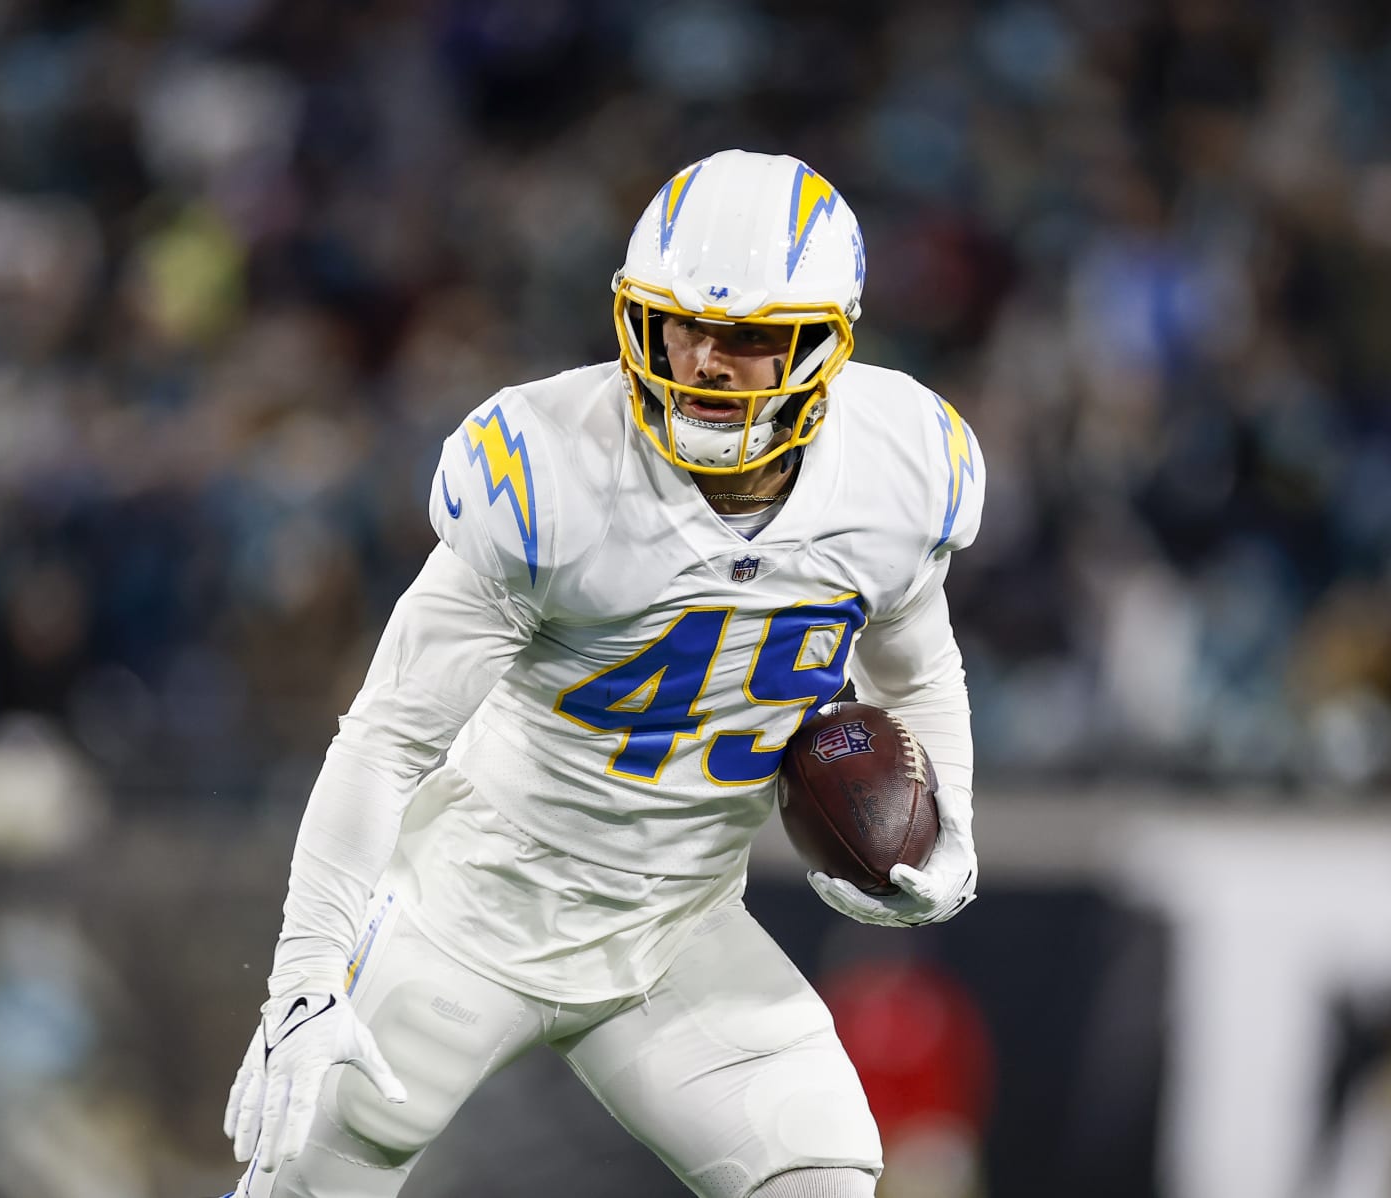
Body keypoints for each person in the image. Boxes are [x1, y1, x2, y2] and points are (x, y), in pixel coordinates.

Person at [221, 149, 986, 1198]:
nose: (707, 360)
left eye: (749, 336)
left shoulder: (900, 467)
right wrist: (306, 979)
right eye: (682, 324)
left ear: (825, 345)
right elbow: (385, 739)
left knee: (824, 1171)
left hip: (678, 927)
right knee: (307, 1167)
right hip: (473, 910)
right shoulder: (551, 467)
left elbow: (919, 666)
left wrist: (952, 829)